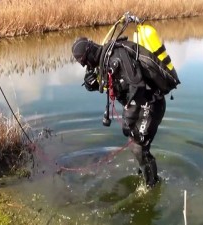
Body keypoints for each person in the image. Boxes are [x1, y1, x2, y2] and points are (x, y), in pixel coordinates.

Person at [71, 35, 179, 188]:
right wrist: (92, 85)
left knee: (137, 146)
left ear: (89, 54)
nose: (85, 66)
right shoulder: (103, 62)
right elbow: (112, 85)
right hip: (140, 106)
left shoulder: (116, 56)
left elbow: (138, 86)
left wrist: (128, 116)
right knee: (136, 144)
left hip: (151, 103)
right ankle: (145, 173)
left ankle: (151, 186)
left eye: (83, 62)